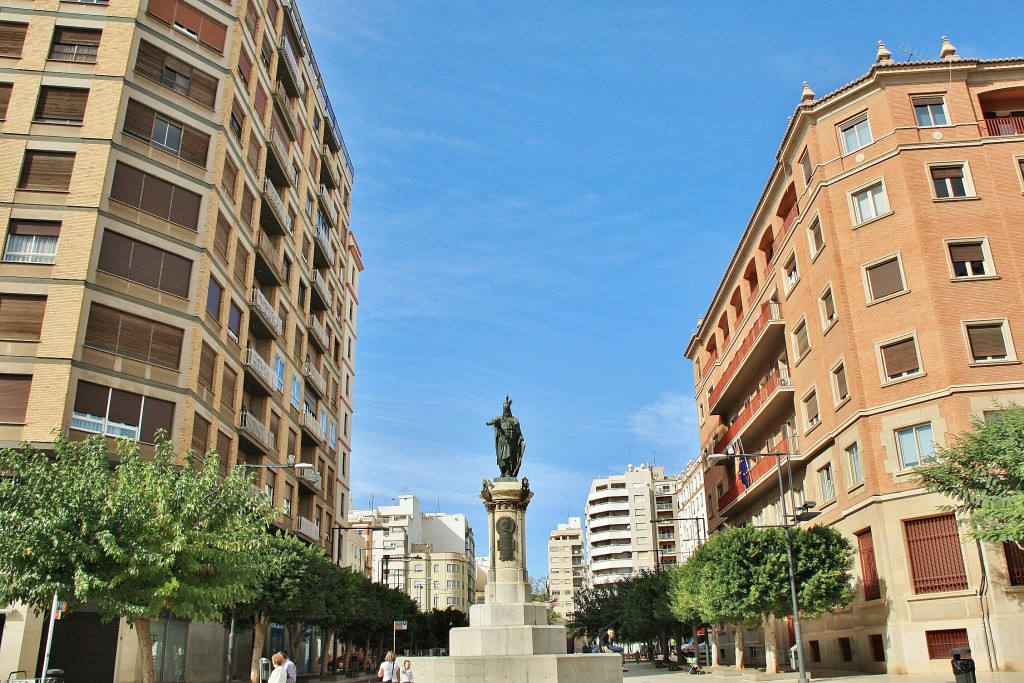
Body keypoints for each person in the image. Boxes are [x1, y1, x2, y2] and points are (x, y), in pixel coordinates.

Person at [486, 395, 525, 477]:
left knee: (508, 458)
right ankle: (503, 472)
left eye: (507, 409)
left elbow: (518, 432)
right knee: (501, 459)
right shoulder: (500, 419)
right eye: (504, 409)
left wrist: (521, 440)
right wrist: (491, 422)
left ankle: (508, 473)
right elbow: (494, 421)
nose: (506, 411)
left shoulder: (513, 420)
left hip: (510, 442)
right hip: (502, 441)